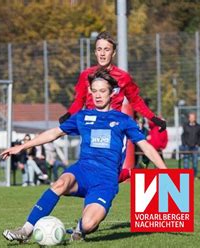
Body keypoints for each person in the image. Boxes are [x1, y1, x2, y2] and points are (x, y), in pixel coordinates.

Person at [1, 67, 167, 243]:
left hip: (106, 180)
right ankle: (25, 230)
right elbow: (53, 133)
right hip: (83, 171)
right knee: (60, 183)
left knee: (89, 224)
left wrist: (165, 172)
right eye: (94, 91)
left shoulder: (123, 120)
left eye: (102, 91)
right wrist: (22, 147)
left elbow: (146, 147)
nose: (98, 95)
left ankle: (79, 230)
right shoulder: (82, 116)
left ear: (112, 93)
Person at [58, 31, 166, 182]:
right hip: (91, 127)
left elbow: (136, 101)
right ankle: (133, 172)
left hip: (114, 128)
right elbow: (79, 100)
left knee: (108, 174)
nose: (102, 53)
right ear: (95, 52)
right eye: (99, 49)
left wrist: (154, 118)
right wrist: (68, 115)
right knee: (97, 174)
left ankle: (132, 172)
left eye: (106, 49)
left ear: (113, 53)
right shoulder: (86, 75)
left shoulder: (123, 77)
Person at [181, 112, 200, 177]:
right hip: (186, 146)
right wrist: (184, 144)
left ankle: (194, 176)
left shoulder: (198, 126)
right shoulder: (185, 125)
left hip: (195, 147)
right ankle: (186, 176)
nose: (192, 119)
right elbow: (183, 135)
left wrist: (198, 144)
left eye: (193, 117)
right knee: (186, 162)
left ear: (195, 118)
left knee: (195, 162)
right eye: (191, 117)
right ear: (189, 118)